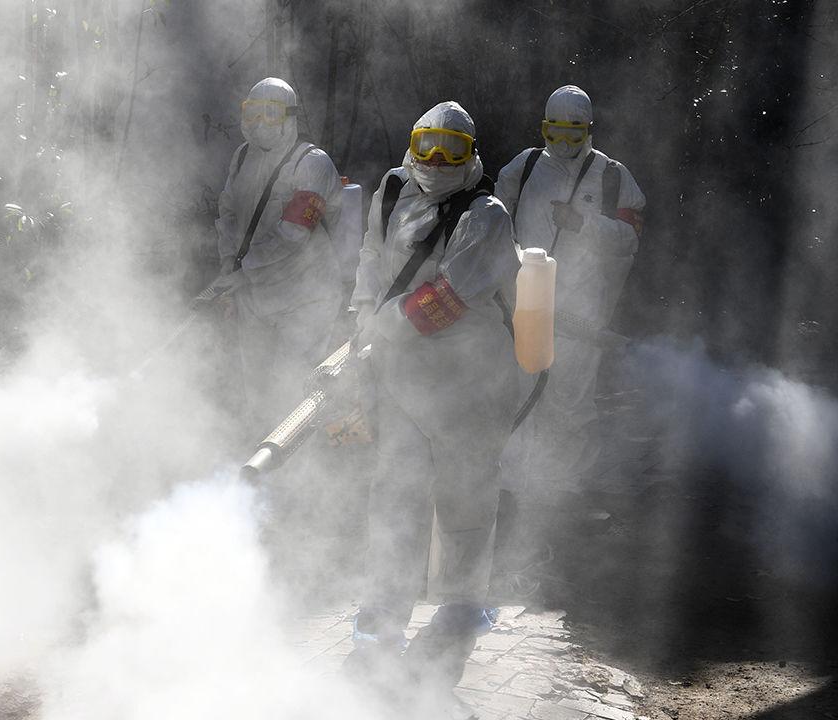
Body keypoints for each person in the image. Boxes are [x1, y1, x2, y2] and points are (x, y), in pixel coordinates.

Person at [346, 101, 522, 703]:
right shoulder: (392, 192)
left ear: (471, 155)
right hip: (401, 376)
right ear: (412, 145)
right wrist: (360, 318)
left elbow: (446, 298)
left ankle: (460, 605)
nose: (436, 160)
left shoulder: (487, 215)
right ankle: (384, 612)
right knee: (394, 492)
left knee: (465, 496)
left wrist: (381, 328)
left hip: (468, 379)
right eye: (427, 145)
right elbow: (371, 264)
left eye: (451, 149)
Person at [496, 85, 645, 492]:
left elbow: (630, 237)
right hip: (526, 303)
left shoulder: (612, 176)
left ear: (589, 131)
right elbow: (493, 218)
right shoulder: (524, 167)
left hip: (582, 307)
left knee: (571, 400)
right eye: (554, 133)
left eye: (573, 135)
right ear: (543, 129)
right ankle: (513, 483)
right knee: (520, 390)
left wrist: (583, 222)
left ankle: (567, 486)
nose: (562, 144)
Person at [212, 77, 344, 433]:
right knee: (255, 389)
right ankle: (259, 468)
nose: (259, 123)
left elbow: (293, 234)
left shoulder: (312, 163)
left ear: (288, 117)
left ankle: (299, 469)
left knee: (292, 385)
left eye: (270, 114)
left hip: (305, 297)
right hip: (255, 295)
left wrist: (243, 271)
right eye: (253, 113)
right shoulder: (242, 157)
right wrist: (228, 266)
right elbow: (227, 215)